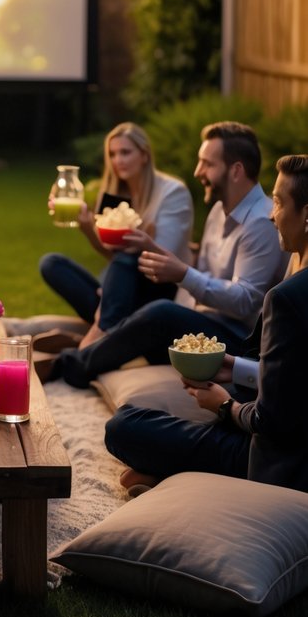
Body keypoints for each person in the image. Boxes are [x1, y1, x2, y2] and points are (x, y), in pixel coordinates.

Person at [105, 154, 308, 495]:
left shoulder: (288, 298)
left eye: (278, 202)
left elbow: (271, 424)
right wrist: (238, 369)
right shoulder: (295, 266)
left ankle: (180, 473)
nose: (272, 215)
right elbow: (293, 379)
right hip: (280, 426)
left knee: (124, 426)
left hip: (277, 461)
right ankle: (169, 470)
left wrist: (224, 406)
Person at [39, 121, 288, 388]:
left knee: (159, 313)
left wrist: (182, 274)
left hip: (234, 343)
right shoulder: (218, 212)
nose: (197, 171)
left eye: (207, 164)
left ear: (236, 170)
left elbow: (245, 301)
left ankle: (69, 364)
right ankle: (102, 341)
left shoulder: (260, 223)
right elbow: (200, 276)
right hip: (199, 324)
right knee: (149, 313)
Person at [40, 123, 193, 348]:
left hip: (159, 289)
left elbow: (161, 260)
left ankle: (94, 336)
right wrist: (87, 228)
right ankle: (108, 330)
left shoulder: (172, 192)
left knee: (125, 259)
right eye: (112, 154)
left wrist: (114, 282)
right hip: (122, 291)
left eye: (125, 152)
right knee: (51, 263)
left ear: (144, 155)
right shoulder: (115, 192)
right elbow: (110, 252)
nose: (118, 160)